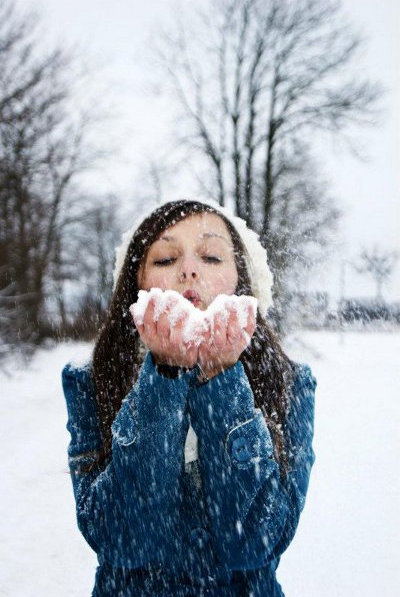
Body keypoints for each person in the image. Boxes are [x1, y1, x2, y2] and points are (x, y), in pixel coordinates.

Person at [61, 198, 316, 597]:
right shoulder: (91, 380)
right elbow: (123, 541)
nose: (189, 269)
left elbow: (256, 542)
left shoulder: (290, 382)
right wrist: (164, 375)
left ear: (241, 282)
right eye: (165, 259)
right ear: (138, 282)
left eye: (212, 256)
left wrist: (221, 377)